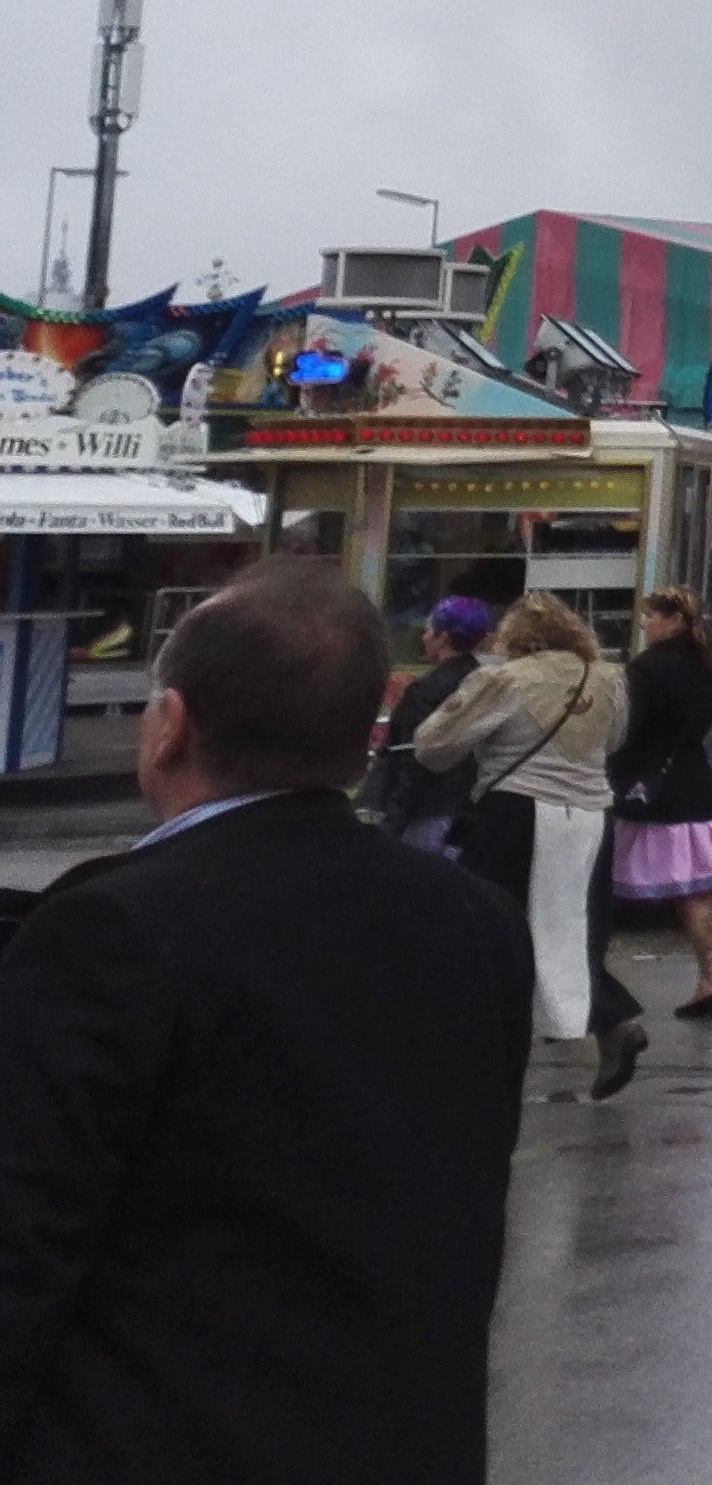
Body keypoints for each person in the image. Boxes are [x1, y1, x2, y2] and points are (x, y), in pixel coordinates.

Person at [0, 556, 534, 1482]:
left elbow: (25, 1239)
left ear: (170, 725)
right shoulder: (477, 921)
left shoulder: (114, 929)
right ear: (364, 742)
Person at [413, 594, 649, 1099]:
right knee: (570, 928)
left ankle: (476, 1038)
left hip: (515, 810)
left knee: (488, 922)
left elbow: (433, 746)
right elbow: (614, 741)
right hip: (590, 814)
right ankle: (609, 1020)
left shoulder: (504, 679)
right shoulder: (607, 678)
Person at [607, 588, 712, 1020]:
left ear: (673, 620)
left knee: (602, 884)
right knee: (695, 890)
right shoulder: (711, 669)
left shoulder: (645, 669)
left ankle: (588, 989)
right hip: (693, 784)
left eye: (651, 615)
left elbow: (626, 729)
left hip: (641, 787)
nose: (644, 622)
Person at [359, 593, 500, 856]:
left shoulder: (427, 691)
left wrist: (392, 824)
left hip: (425, 814)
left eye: (428, 630)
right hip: (469, 813)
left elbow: (411, 762)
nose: (424, 637)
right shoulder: (487, 685)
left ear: (443, 637)